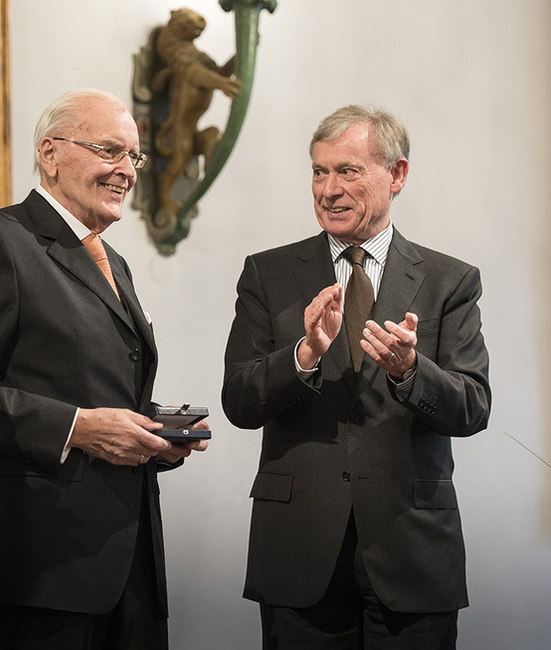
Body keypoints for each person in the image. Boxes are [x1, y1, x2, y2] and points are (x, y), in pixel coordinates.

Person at [222, 104, 491, 648]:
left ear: (397, 175)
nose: (328, 189)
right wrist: (302, 356)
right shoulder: (268, 273)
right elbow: (239, 401)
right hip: (299, 553)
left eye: (347, 171)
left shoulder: (450, 280)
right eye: (319, 172)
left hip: (411, 551)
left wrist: (411, 370)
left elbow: (473, 406)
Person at [0, 89, 208, 650]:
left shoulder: (110, 259)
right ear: (51, 153)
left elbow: (98, 387)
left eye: (134, 158)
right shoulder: (1, 242)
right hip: (46, 559)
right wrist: (81, 429)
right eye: (109, 151)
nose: (127, 172)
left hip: (130, 553)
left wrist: (152, 433)